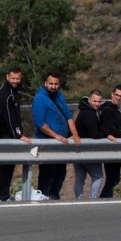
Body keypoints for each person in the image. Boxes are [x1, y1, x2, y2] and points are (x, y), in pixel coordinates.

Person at [32, 71, 81, 200]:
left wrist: (75, 134)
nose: (53, 86)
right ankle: (43, 199)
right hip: (47, 144)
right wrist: (56, 136)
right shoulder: (40, 99)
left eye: (56, 84)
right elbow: (39, 122)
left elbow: (69, 116)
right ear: (45, 83)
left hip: (61, 144)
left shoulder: (59, 96)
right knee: (48, 174)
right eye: (51, 84)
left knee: (60, 174)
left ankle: (54, 199)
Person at [0, 66, 31, 201]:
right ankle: (3, 195)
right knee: (6, 166)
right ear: (7, 77)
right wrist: (19, 135)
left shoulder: (12, 92)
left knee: (4, 165)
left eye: (18, 78)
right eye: (13, 78)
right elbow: (9, 118)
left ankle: (0, 195)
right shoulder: (6, 94)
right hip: (5, 135)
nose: (15, 81)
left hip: (7, 134)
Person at [73, 90, 107, 199]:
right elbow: (94, 134)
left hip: (78, 151)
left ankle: (79, 201)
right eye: (94, 101)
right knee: (98, 176)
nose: (97, 104)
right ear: (89, 100)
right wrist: (107, 134)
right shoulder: (89, 114)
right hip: (88, 151)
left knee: (79, 178)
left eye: (99, 101)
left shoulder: (83, 111)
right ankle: (93, 200)